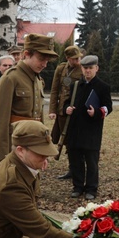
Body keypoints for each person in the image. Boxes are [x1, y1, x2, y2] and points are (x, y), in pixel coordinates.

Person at [0, 34, 58, 166]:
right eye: (41, 59)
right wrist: (1, 156)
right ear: (26, 54)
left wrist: (42, 151)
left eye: (47, 60)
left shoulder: (37, 80)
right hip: (16, 147)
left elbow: (38, 118)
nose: (44, 64)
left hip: (33, 146)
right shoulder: (10, 78)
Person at [64, 55, 112, 200]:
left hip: (92, 130)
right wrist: (67, 109)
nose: (88, 71)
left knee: (91, 161)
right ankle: (77, 187)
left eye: (91, 68)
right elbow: (66, 103)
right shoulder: (75, 85)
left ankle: (91, 188)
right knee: (75, 160)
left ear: (96, 68)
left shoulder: (103, 87)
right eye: (85, 68)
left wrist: (96, 112)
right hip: (75, 129)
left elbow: (108, 107)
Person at [48, 46, 83, 180]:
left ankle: (77, 169)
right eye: (75, 58)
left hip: (76, 111)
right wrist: (52, 110)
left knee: (75, 140)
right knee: (65, 139)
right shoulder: (61, 68)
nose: (78, 60)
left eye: (79, 57)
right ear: (68, 58)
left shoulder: (82, 69)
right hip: (62, 111)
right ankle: (71, 169)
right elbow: (54, 90)